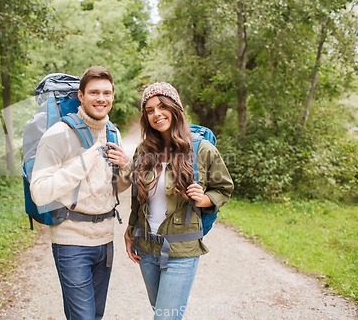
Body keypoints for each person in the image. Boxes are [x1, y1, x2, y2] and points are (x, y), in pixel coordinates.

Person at [124, 82, 234, 320]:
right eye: (150, 110)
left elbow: (224, 189)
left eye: (162, 106)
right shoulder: (143, 151)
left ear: (176, 109)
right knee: (162, 313)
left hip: (181, 250)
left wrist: (204, 199)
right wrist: (131, 230)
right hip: (146, 248)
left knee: (165, 317)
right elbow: (137, 197)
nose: (156, 114)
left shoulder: (201, 149)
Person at [30, 66, 132, 320]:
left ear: (113, 96)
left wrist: (126, 168)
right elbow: (39, 192)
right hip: (71, 241)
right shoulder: (58, 134)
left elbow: (115, 187)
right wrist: (83, 163)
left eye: (106, 93)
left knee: (95, 315)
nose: (101, 99)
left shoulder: (113, 133)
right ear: (81, 96)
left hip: (105, 240)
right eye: (94, 92)